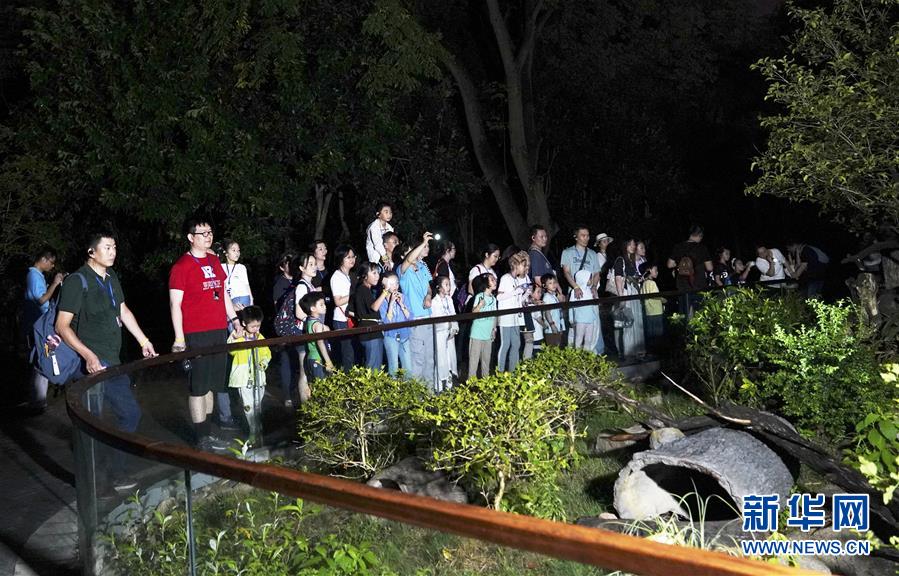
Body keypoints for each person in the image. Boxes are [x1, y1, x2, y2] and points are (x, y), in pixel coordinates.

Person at [56, 232, 157, 489]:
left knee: (127, 415)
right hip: (90, 366)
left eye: (114, 246)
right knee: (96, 423)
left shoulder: (111, 277)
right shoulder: (77, 282)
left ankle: (113, 473)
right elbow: (62, 326)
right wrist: (88, 355)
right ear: (92, 252)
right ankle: (99, 482)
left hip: (112, 362)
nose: (113, 251)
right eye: (107, 247)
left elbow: (123, 311)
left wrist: (144, 341)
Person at [169, 218, 242, 452]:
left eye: (210, 232)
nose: (208, 236)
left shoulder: (213, 260)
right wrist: (179, 338)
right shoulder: (181, 267)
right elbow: (175, 304)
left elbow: (223, 295)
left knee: (212, 385)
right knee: (198, 387)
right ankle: (201, 439)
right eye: (202, 233)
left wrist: (234, 321)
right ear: (191, 238)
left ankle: (208, 433)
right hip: (195, 333)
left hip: (218, 330)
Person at [23, 247, 65, 411]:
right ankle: (38, 402)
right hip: (38, 326)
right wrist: (54, 284)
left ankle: (37, 401)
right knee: (42, 361)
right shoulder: (34, 275)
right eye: (52, 263)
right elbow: (41, 300)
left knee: (40, 360)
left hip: (38, 325)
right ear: (44, 259)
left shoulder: (36, 275)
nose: (52, 267)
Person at [227, 306, 271, 447]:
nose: (256, 329)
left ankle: (258, 429)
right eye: (253, 326)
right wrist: (235, 338)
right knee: (248, 406)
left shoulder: (260, 336)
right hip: (243, 377)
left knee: (257, 404)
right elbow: (231, 350)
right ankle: (253, 431)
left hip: (259, 376)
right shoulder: (237, 335)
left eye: (258, 326)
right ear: (244, 323)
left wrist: (263, 363)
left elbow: (267, 353)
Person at [398, 232, 436, 387]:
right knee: (418, 357)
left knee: (429, 357)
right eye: (408, 251)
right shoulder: (402, 270)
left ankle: (430, 392)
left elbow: (429, 289)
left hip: (428, 316)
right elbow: (408, 260)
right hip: (415, 319)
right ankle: (416, 395)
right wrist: (423, 241)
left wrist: (428, 297)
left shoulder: (422, 266)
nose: (412, 255)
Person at [561, 226, 600, 350]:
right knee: (574, 327)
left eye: (587, 235)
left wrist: (594, 287)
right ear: (576, 237)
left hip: (589, 294)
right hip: (575, 293)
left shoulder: (593, 254)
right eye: (583, 235)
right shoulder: (567, 252)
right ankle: (572, 355)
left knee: (591, 325)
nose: (586, 238)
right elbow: (566, 272)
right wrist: (576, 287)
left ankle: (590, 352)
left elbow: (596, 273)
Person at [288, 253, 319, 405]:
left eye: (314, 264)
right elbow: (299, 313)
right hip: (303, 333)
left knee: (308, 369)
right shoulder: (301, 286)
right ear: (302, 268)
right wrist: (312, 321)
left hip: (310, 333)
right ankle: (305, 407)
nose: (314, 267)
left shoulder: (310, 285)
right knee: (304, 370)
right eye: (310, 264)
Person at [667, 225, 713, 317]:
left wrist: (679, 263)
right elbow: (709, 268)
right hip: (698, 286)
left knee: (685, 316)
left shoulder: (678, 247)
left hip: (683, 287)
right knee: (699, 315)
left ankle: (686, 331)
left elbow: (669, 264)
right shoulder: (702, 248)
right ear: (700, 235)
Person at [271, 251, 298, 407]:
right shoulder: (280, 284)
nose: (291, 265)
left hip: (297, 326)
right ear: (282, 267)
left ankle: (296, 391)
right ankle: (287, 395)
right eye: (288, 262)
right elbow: (278, 309)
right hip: (285, 328)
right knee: (286, 361)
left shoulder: (297, 281)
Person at [496, 251, 530, 372]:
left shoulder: (515, 280)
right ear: (515, 265)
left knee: (516, 344)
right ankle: (500, 372)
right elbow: (499, 297)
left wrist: (525, 294)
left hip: (515, 317)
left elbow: (517, 299)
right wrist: (516, 292)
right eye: (523, 265)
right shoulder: (506, 278)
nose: (525, 268)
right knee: (505, 345)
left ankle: (512, 371)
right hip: (506, 317)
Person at [612, 239, 646, 360]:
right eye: (630, 244)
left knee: (636, 321)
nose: (632, 246)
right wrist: (622, 297)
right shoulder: (621, 260)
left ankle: (638, 350)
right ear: (625, 245)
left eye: (633, 244)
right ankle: (628, 352)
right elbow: (618, 278)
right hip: (627, 293)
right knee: (628, 323)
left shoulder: (631, 261)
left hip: (634, 293)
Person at [352, 262, 388, 369]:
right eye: (374, 273)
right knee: (373, 366)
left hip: (372, 331)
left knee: (375, 365)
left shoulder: (365, 289)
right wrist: (385, 291)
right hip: (370, 333)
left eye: (378, 273)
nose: (377, 276)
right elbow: (374, 307)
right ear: (365, 275)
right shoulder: (363, 289)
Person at [378, 271, 413, 376]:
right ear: (385, 285)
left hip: (405, 335)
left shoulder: (404, 297)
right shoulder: (382, 301)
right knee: (393, 367)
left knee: (408, 367)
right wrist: (392, 303)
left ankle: (408, 390)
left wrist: (401, 304)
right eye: (391, 283)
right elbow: (387, 322)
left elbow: (410, 318)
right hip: (391, 336)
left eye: (396, 283)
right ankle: (393, 390)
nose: (395, 286)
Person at [329, 244, 357, 370]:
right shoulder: (336, 276)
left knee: (352, 351)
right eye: (348, 257)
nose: (352, 260)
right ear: (341, 259)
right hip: (341, 319)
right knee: (347, 353)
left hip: (350, 317)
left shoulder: (350, 275)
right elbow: (337, 301)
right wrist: (354, 295)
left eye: (353, 257)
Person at [430, 275, 458, 392]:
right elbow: (436, 319)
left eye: (449, 284)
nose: (449, 287)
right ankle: (438, 383)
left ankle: (449, 381)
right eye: (446, 284)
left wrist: (454, 327)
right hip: (440, 333)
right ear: (439, 287)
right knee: (440, 358)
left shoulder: (449, 300)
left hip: (449, 334)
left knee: (449, 358)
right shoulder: (434, 302)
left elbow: (453, 314)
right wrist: (447, 325)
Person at [299, 292, 335, 381]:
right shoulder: (317, 324)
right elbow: (320, 342)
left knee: (316, 386)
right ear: (313, 308)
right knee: (322, 386)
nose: (325, 307)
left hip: (311, 358)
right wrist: (328, 361)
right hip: (318, 359)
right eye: (321, 305)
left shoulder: (309, 322)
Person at [468, 273, 497, 379]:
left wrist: (494, 329)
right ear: (486, 283)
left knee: (486, 361)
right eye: (492, 280)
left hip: (488, 334)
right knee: (474, 361)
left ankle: (486, 383)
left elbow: (495, 315)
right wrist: (480, 305)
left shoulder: (494, 299)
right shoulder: (480, 296)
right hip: (477, 333)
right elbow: (473, 313)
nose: (495, 281)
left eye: (494, 279)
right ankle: (470, 385)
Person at [640, 263, 666, 353]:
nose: (657, 272)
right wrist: (663, 299)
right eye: (656, 270)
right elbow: (655, 295)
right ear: (650, 270)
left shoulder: (644, 283)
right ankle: (658, 352)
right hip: (656, 311)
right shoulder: (652, 283)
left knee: (650, 333)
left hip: (648, 311)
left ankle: (651, 351)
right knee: (658, 334)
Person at [222, 239, 253, 311]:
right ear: (226, 252)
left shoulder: (241, 267)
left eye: (238, 250)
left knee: (241, 320)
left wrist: (251, 300)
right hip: (229, 298)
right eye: (234, 250)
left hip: (243, 297)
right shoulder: (221, 266)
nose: (237, 253)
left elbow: (246, 284)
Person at [365, 201, 395, 268]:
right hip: (376, 257)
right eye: (386, 212)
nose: (389, 214)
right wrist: (385, 259)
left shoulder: (389, 228)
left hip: (387, 255)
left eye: (390, 212)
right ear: (378, 214)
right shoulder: (374, 227)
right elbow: (378, 245)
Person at [541, 273, 566, 348]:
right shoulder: (547, 297)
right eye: (550, 283)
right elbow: (547, 312)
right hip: (551, 329)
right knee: (553, 348)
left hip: (558, 327)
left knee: (558, 348)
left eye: (554, 282)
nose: (553, 285)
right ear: (544, 286)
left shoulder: (554, 296)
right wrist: (552, 325)